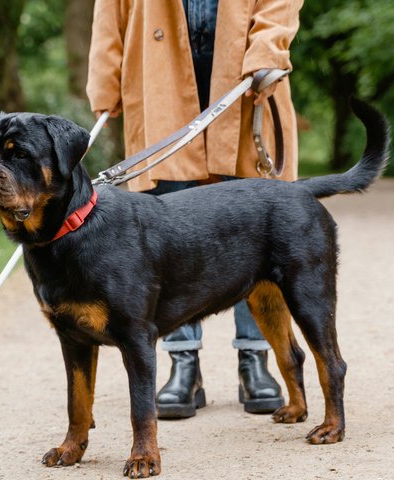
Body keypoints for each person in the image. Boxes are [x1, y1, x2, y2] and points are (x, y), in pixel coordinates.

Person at [86, 0, 303, 419]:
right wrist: (105, 83)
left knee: (253, 228)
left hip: (245, 78)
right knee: (166, 228)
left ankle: (254, 359)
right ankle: (183, 363)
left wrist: (267, 51)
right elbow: (110, 13)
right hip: (156, 75)